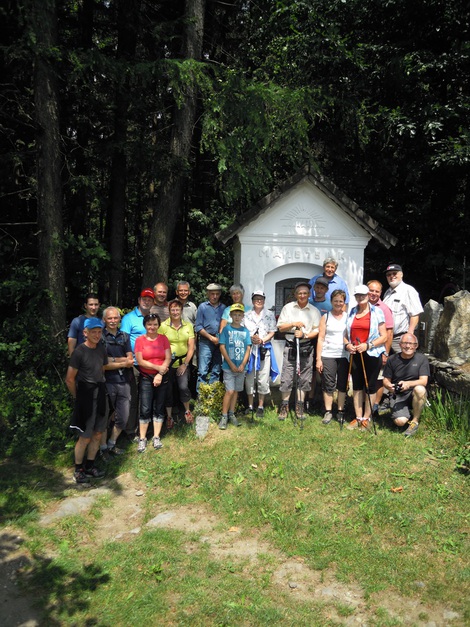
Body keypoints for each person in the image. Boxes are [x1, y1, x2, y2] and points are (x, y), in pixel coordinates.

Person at [65, 317, 108, 484]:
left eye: (99, 332)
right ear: (85, 333)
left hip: (101, 390)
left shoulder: (101, 349)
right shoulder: (79, 352)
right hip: (86, 393)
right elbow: (69, 379)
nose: (97, 335)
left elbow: (102, 370)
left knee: (98, 432)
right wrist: (79, 397)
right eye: (93, 332)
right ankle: (78, 469)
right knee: (85, 435)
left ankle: (90, 466)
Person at [344, 285, 387, 430]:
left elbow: (384, 336)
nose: (360, 298)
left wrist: (368, 345)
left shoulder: (377, 312)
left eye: (363, 295)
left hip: (372, 354)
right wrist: (347, 345)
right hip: (355, 354)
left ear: (368, 295)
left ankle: (367, 418)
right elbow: (345, 335)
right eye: (357, 295)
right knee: (357, 386)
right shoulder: (351, 312)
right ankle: (358, 416)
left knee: (370, 386)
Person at [277, 281, 321, 420]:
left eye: (305, 293)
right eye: (299, 293)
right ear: (295, 294)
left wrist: (305, 335)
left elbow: (318, 330)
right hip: (290, 345)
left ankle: (299, 406)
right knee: (286, 377)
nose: (302, 295)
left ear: (309, 295)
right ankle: (284, 406)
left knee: (305, 378)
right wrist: (293, 324)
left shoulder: (314, 311)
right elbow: (280, 327)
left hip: (306, 346)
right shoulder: (288, 308)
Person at [120, 288, 156, 438]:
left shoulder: (153, 319)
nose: (146, 302)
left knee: (146, 398)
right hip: (134, 364)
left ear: (153, 302)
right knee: (132, 398)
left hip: (150, 364)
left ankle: (145, 429)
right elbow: (124, 340)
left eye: (149, 299)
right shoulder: (129, 318)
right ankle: (130, 430)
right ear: (139, 300)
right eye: (144, 299)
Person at [134, 313, 171, 453]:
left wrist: (160, 374)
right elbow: (140, 360)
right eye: (149, 324)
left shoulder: (163, 339)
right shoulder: (139, 340)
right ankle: (142, 438)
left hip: (162, 377)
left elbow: (167, 357)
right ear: (145, 325)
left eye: (155, 324)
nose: (152, 327)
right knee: (145, 408)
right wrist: (157, 369)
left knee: (159, 406)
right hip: (146, 377)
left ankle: (156, 436)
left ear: (159, 325)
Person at [101, 307, 134, 455]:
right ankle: (102, 449)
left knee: (123, 416)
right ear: (104, 320)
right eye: (110, 318)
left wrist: (113, 361)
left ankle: (111, 443)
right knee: (103, 418)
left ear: (120, 319)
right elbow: (102, 364)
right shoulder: (100, 337)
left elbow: (130, 359)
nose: (113, 321)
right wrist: (121, 363)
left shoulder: (125, 336)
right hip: (106, 381)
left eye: (115, 318)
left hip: (124, 381)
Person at [382, 333, 429, 436]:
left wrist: (408, 384)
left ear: (416, 346)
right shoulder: (392, 359)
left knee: (420, 389)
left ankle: (415, 421)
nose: (408, 346)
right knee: (400, 422)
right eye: (405, 343)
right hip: (398, 394)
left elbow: (423, 381)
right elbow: (385, 380)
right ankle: (403, 413)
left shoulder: (422, 359)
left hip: (414, 393)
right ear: (400, 344)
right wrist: (389, 386)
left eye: (411, 344)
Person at [159, 299, 195, 426]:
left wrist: (185, 364)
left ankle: (187, 411)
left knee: (183, 387)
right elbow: (159, 345)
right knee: (168, 390)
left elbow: (191, 347)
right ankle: (169, 417)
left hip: (182, 362)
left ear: (181, 311)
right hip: (168, 363)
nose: (175, 312)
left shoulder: (188, 326)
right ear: (169, 311)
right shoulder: (163, 326)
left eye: (177, 310)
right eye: (172, 310)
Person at [316, 290, 349, 424]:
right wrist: (318, 358)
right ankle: (328, 411)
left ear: (344, 302)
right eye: (335, 301)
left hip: (344, 355)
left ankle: (340, 411)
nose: (338, 303)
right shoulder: (326, 317)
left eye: (340, 301)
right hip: (328, 354)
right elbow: (321, 338)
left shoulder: (348, 317)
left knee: (342, 384)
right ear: (331, 302)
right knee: (328, 384)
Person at [243, 291, 278, 417]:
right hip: (250, 351)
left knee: (263, 379)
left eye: (261, 299)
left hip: (264, 350)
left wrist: (262, 340)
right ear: (252, 301)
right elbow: (243, 331)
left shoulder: (269, 314)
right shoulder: (246, 315)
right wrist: (251, 338)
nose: (259, 301)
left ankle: (261, 406)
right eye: (256, 299)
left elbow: (272, 331)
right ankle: (250, 405)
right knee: (249, 379)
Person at [218, 304, 252, 430]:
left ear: (242, 316)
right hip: (229, 367)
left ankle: (232, 414)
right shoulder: (226, 329)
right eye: (235, 314)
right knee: (230, 391)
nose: (237, 317)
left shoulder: (245, 331)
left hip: (241, 367)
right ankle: (224, 416)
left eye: (239, 315)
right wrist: (231, 364)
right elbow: (222, 347)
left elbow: (248, 348)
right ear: (230, 315)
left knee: (236, 391)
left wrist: (243, 364)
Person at [383, 264, 424, 353]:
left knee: (404, 365)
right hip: (386, 337)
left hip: (400, 339)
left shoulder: (409, 290)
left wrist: (409, 334)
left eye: (394, 273)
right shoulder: (387, 293)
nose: (391, 276)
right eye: (388, 275)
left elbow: (415, 314)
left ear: (401, 274)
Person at [367, 280, 394, 409]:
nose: (373, 293)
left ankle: (375, 406)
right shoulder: (361, 305)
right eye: (371, 290)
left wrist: (386, 352)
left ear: (380, 293)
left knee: (378, 379)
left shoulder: (383, 309)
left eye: (376, 291)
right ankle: (364, 404)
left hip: (378, 350)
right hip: (363, 350)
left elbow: (389, 333)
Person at [194, 283, 225, 393]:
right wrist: (211, 338)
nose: (215, 296)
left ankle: (212, 398)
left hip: (220, 341)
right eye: (212, 294)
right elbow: (198, 326)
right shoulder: (202, 307)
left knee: (216, 370)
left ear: (220, 294)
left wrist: (219, 339)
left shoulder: (224, 308)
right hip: (206, 340)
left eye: (217, 294)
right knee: (203, 370)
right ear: (208, 294)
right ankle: (201, 399)